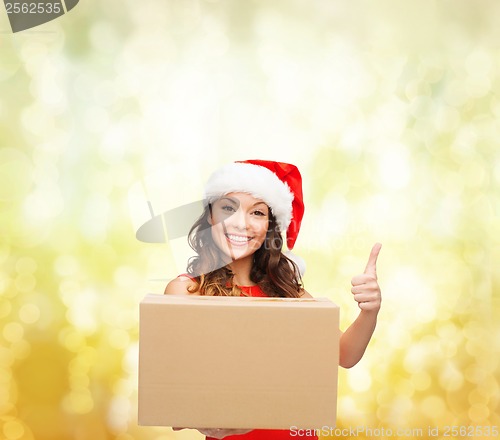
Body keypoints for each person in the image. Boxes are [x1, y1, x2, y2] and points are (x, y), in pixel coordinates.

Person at [164, 160, 382, 440]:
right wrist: (204, 419)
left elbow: (345, 355)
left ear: (269, 225)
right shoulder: (186, 292)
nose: (241, 223)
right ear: (210, 216)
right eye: (228, 208)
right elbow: (172, 390)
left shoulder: (289, 294)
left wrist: (370, 311)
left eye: (256, 212)